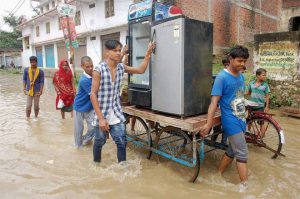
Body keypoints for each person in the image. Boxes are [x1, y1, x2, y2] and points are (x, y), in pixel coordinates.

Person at [90, 40, 155, 163]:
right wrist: (101, 119)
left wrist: (148, 53)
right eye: (115, 51)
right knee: (99, 142)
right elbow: (93, 94)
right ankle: (96, 164)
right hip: (101, 114)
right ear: (107, 53)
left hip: (116, 113)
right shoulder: (98, 70)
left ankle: (123, 168)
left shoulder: (121, 67)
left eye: (119, 50)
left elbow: (141, 70)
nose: (118, 53)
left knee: (121, 142)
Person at [199, 45, 249, 190]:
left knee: (232, 151)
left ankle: (218, 174)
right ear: (231, 59)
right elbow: (214, 102)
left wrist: (245, 111)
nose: (242, 64)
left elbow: (239, 96)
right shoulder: (222, 77)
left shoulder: (240, 76)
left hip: (241, 119)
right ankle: (246, 188)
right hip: (231, 121)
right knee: (242, 153)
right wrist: (209, 124)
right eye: (239, 61)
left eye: (244, 61)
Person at [73, 56, 96, 148]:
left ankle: (85, 140)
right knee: (79, 130)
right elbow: (94, 94)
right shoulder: (84, 80)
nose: (90, 68)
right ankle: (78, 147)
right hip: (79, 107)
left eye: (91, 66)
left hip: (90, 107)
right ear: (82, 66)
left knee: (94, 127)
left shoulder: (94, 75)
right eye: (87, 67)